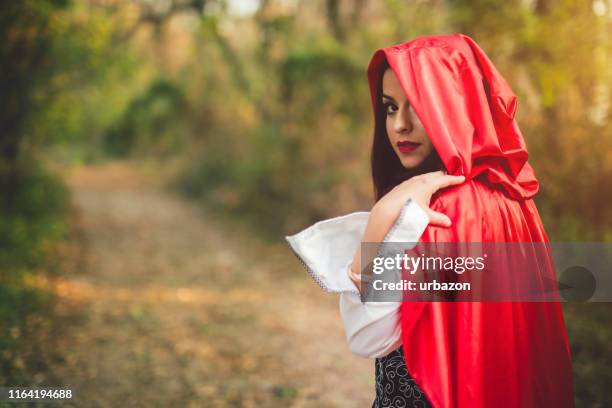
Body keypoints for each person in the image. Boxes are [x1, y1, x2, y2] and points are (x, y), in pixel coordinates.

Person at [286, 33, 574, 407]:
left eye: (417, 106)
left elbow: (368, 337)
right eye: (390, 107)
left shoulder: (436, 212)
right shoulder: (511, 197)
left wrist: (385, 214)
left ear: (455, 107)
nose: (399, 125)